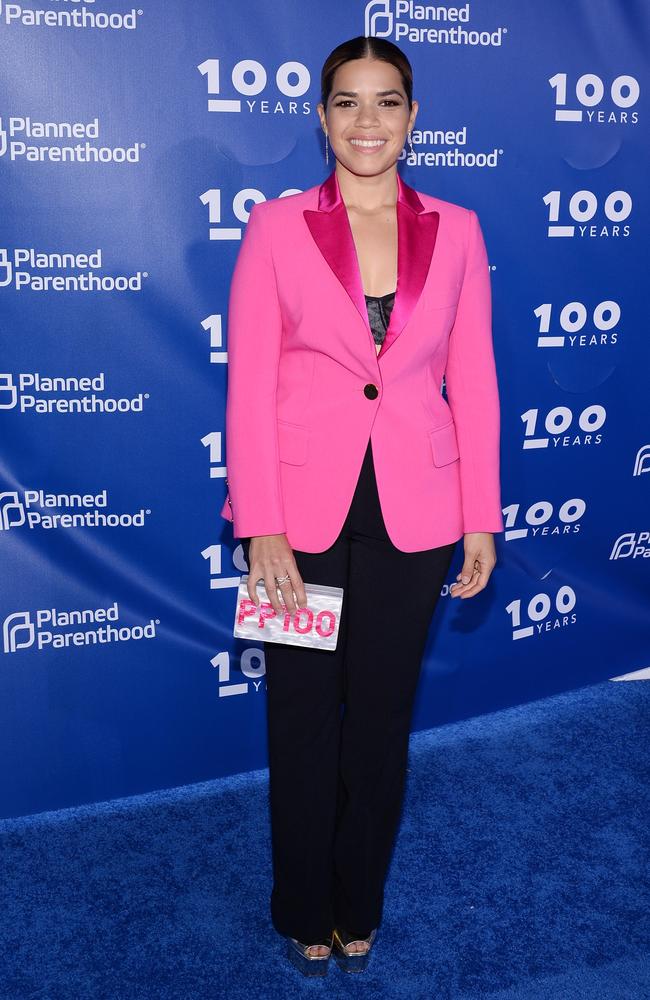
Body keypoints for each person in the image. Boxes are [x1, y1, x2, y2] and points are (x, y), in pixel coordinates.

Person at [220, 34, 504, 977]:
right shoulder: (277, 226)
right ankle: (303, 902)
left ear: (414, 117)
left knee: (380, 721)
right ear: (322, 116)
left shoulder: (458, 228)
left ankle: (360, 901)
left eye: (388, 102)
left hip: (416, 515)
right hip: (299, 515)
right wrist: (259, 522)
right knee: (300, 715)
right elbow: (250, 379)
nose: (368, 121)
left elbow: (475, 375)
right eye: (348, 102)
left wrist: (481, 515)